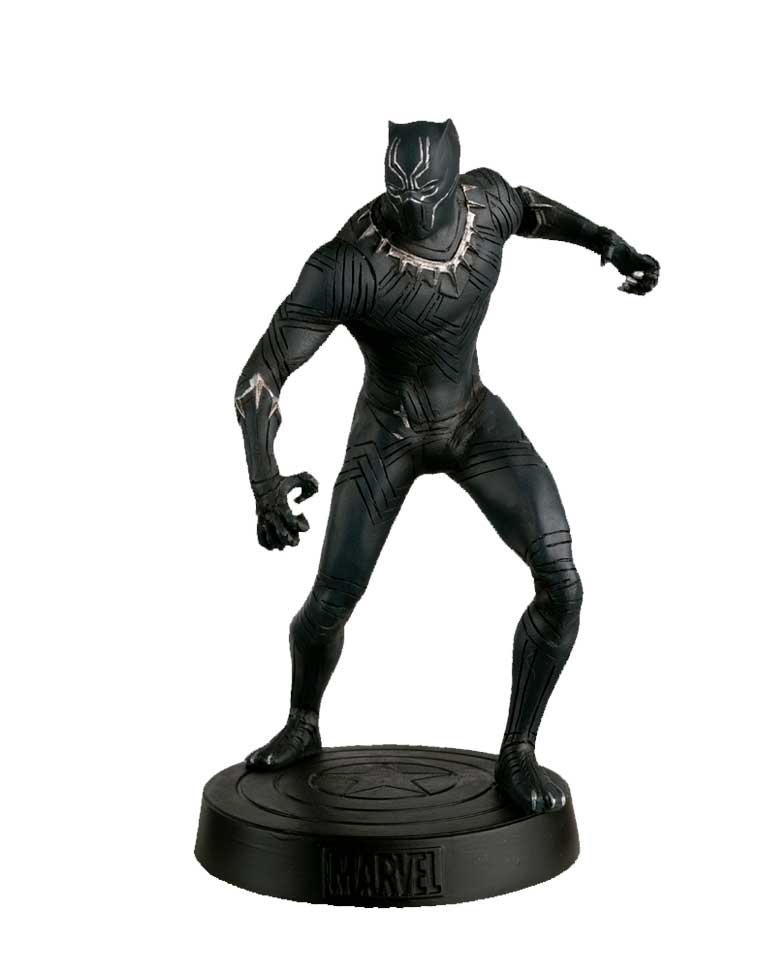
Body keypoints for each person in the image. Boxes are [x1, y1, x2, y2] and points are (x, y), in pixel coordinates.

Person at [234, 119, 659, 813]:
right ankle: (303, 721)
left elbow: (533, 209)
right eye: (398, 193)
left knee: (562, 583)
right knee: (330, 603)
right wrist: (263, 480)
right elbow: (261, 376)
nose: (411, 208)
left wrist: (607, 243)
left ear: (453, 182)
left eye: (426, 194)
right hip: (390, 432)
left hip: (470, 418)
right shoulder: (349, 263)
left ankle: (518, 750)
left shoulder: (486, 205)